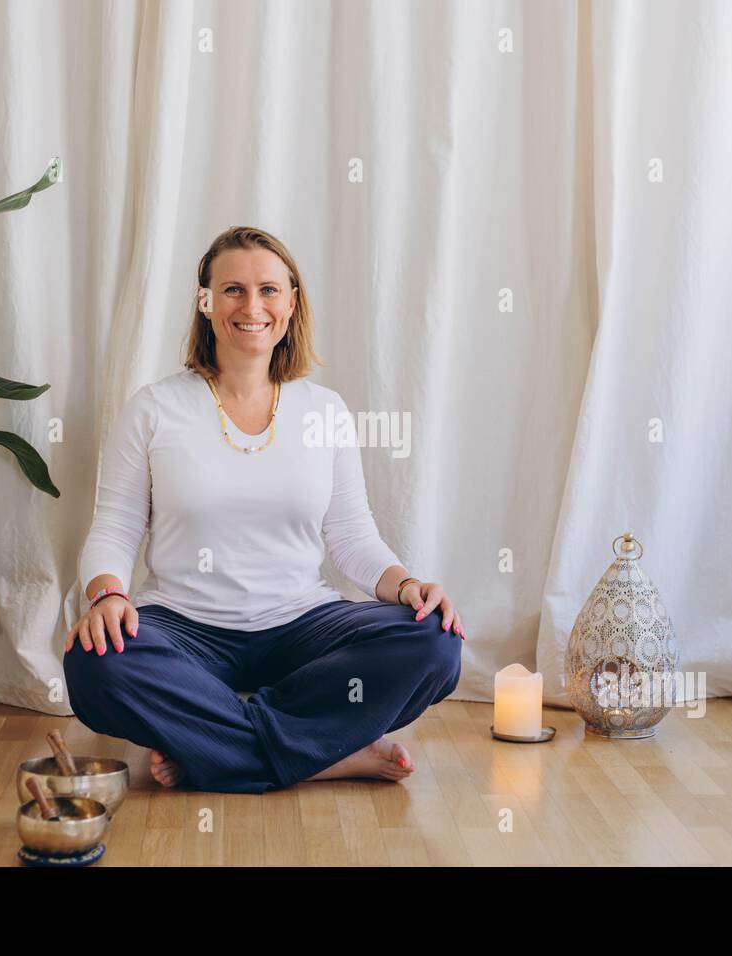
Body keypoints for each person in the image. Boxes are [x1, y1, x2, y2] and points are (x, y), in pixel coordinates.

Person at [62, 226, 465, 794]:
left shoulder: (324, 410)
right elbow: (115, 526)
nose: (252, 306)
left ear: (292, 302)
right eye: (232, 289)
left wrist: (406, 586)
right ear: (205, 301)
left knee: (436, 642)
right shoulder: (154, 408)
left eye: (269, 290)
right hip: (183, 628)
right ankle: (325, 754)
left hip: (302, 625)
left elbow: (351, 535)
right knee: (95, 661)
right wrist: (108, 595)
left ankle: (211, 746)